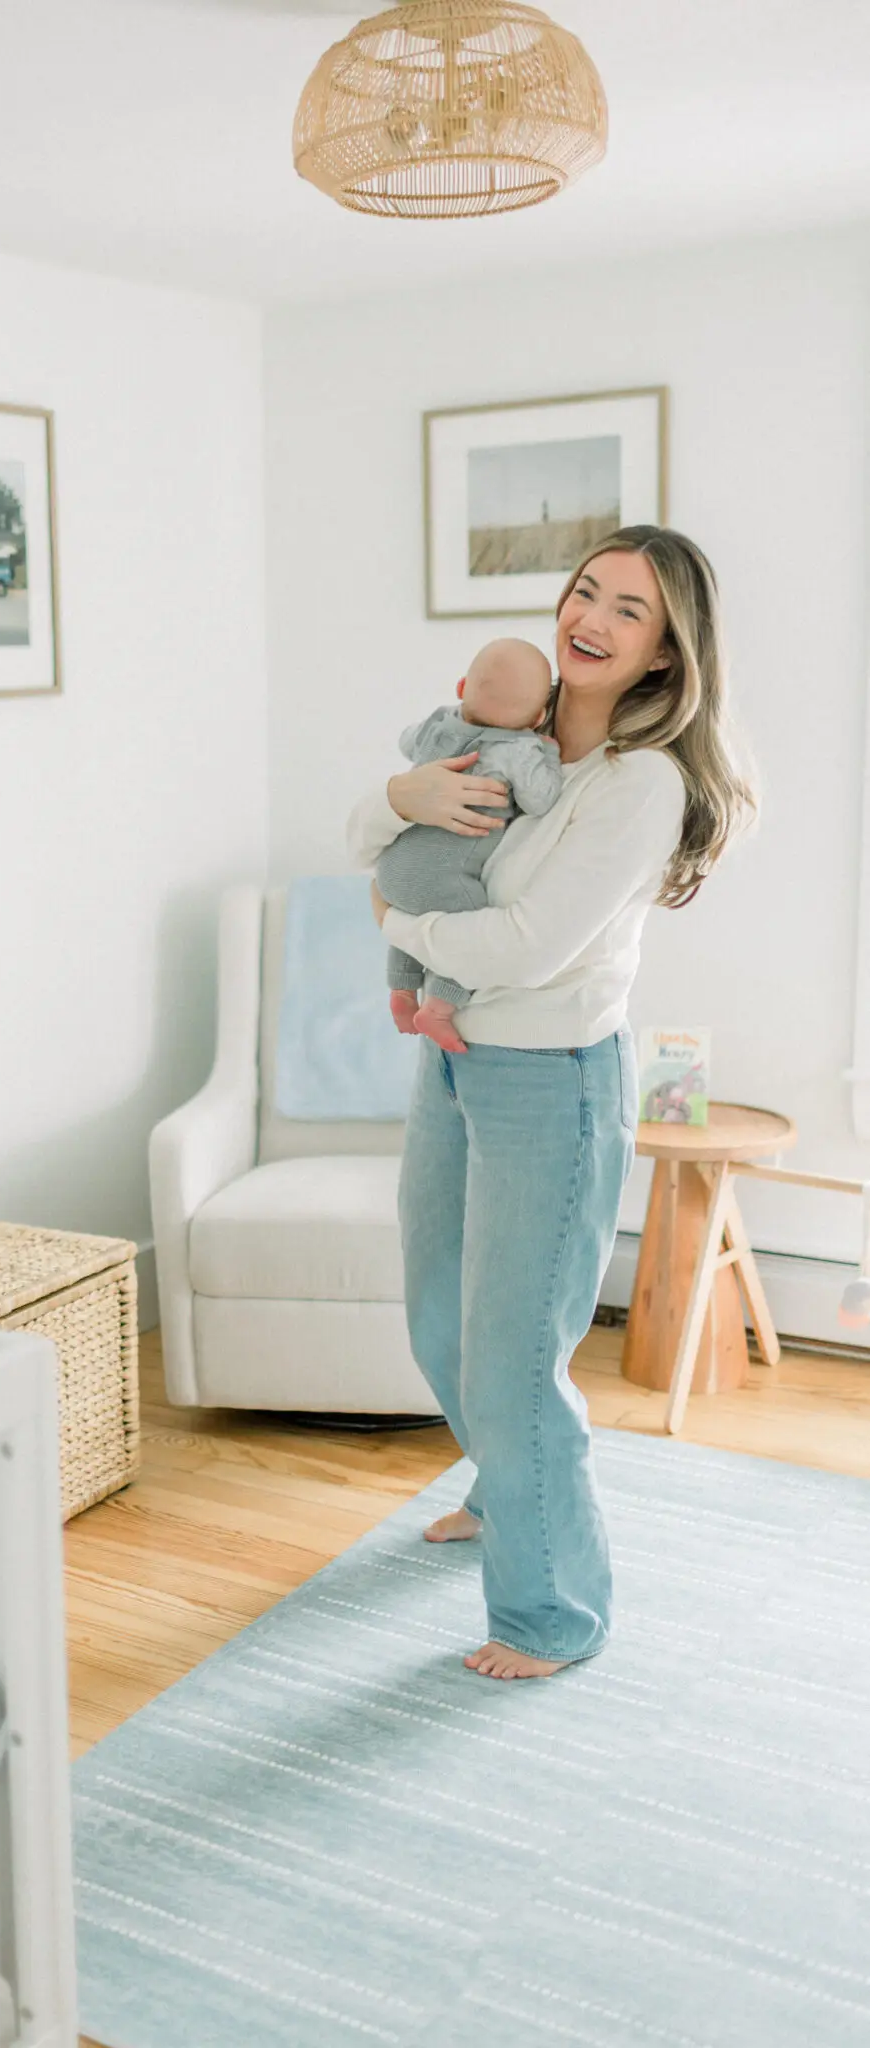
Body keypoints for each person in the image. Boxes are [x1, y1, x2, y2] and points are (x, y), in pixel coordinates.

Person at [349, 526, 754, 1681]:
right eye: (586, 591)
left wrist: (398, 925)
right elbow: (362, 834)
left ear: (667, 653)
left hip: (551, 1082)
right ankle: (501, 1484)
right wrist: (397, 790)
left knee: (518, 1355)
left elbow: (529, 944)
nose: (593, 617)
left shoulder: (642, 782)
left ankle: (553, 1611)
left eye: (630, 609)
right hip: (454, 1057)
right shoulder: (509, 737)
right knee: (437, 1309)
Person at [377, 637, 562, 1054]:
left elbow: (407, 742)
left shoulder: (439, 720)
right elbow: (541, 799)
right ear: (538, 716)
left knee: (411, 918)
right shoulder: (518, 748)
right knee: (475, 933)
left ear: (461, 687)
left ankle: (403, 992)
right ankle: (438, 1008)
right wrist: (547, 757)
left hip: (392, 867)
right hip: (442, 878)